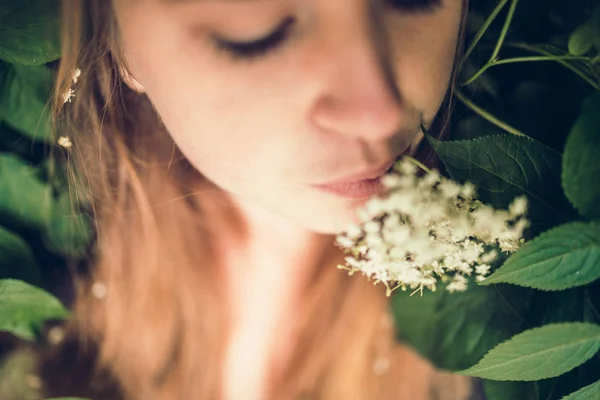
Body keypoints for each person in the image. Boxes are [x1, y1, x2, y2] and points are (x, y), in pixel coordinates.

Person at [43, 0, 475, 398]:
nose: (378, 114)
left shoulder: (492, 336)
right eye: (255, 32)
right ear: (120, 43)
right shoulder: (43, 298)